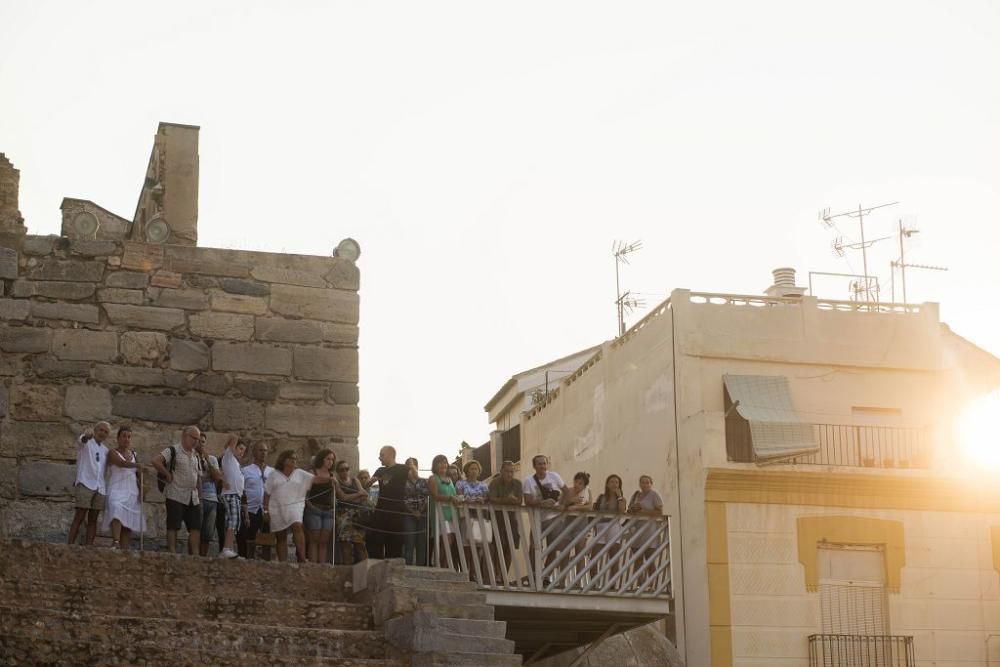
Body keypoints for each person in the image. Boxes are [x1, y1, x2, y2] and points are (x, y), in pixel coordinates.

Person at [151, 425, 203, 555]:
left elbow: (197, 476)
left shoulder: (196, 455)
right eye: (193, 438)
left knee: (196, 526)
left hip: (193, 496)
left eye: (197, 439)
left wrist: (199, 493)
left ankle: (195, 555)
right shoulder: (173, 450)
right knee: (173, 525)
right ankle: (172, 553)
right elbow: (156, 461)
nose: (196, 441)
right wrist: (167, 474)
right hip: (175, 493)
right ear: (185, 436)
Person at [522, 454, 569, 579]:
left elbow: (566, 491)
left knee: (553, 547)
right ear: (534, 466)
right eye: (539, 464)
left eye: (544, 463)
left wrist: (562, 505)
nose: (542, 466)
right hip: (537, 519)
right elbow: (527, 501)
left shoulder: (554, 476)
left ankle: (545, 576)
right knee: (534, 548)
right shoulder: (528, 481)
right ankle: (534, 575)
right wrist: (542, 503)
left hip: (555, 518)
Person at [264, 449, 315, 563]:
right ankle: (283, 563)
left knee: (297, 526)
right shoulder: (273, 474)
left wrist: (329, 479)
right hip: (277, 509)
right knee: (281, 536)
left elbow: (315, 479)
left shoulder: (300, 473)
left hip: (295, 507)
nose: (294, 460)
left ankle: (302, 558)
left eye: (295, 458)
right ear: (283, 460)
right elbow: (267, 493)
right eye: (291, 458)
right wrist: (266, 511)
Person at [68, 421, 111, 546]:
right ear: (95, 430)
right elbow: (82, 439)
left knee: (93, 519)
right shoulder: (86, 443)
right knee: (80, 516)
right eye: (101, 430)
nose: (103, 433)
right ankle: (69, 545)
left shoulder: (106, 450)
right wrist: (87, 435)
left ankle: (89, 548)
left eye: (106, 432)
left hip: (100, 487)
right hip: (85, 483)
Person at [102, 425, 144, 551]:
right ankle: (115, 541)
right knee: (116, 508)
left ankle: (124, 549)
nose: (126, 439)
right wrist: (137, 465)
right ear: (118, 438)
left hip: (131, 490)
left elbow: (138, 475)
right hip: (116, 489)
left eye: (129, 437)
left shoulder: (134, 454)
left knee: (127, 521)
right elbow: (121, 463)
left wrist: (142, 488)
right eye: (124, 436)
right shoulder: (112, 452)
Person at [364, 446, 410, 559]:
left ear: (390, 454)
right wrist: (371, 481)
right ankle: (376, 564)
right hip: (381, 510)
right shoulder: (380, 470)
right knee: (375, 539)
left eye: (382, 455)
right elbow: (367, 484)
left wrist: (412, 466)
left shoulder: (403, 468)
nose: (379, 457)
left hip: (397, 511)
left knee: (395, 542)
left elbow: (415, 477)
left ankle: (393, 565)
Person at [487, 460, 523, 581]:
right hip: (497, 518)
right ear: (501, 471)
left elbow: (519, 501)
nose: (509, 474)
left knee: (510, 547)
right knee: (499, 546)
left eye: (511, 472)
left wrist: (509, 500)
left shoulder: (517, 483)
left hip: (512, 519)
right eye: (507, 471)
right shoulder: (495, 483)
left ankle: (504, 576)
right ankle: (497, 574)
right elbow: (492, 499)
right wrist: (507, 499)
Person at [627, 474, 665, 585]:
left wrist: (644, 512)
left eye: (647, 482)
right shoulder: (636, 495)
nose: (645, 484)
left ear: (651, 484)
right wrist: (633, 509)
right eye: (643, 482)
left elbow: (660, 512)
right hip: (636, 530)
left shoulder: (654, 495)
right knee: (637, 559)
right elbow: (629, 509)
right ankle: (640, 585)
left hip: (650, 531)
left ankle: (652, 585)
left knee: (649, 559)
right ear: (639, 484)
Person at [238, 443, 274, 560]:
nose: (263, 453)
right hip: (251, 510)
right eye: (260, 450)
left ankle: (266, 564)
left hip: (267, 511)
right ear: (253, 452)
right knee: (250, 540)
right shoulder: (245, 470)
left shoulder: (272, 472)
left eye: (265, 451)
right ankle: (249, 563)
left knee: (267, 541)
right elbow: (241, 491)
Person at [456, 460, 491, 575]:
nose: (474, 471)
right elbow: (459, 496)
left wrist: (483, 500)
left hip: (479, 518)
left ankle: (474, 573)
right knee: (466, 546)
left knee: (477, 546)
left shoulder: (483, 485)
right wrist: (468, 499)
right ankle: (465, 572)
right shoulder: (460, 483)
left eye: (476, 469)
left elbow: (487, 498)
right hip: (466, 517)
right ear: (467, 470)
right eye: (471, 468)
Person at [304, 449, 337, 564]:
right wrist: (310, 506)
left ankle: (322, 567)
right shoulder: (312, 472)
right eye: (328, 459)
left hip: (328, 511)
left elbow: (336, 494)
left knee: (324, 541)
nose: (330, 462)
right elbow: (306, 491)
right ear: (321, 459)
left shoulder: (332, 475)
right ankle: (313, 567)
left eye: (332, 459)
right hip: (314, 509)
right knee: (314, 540)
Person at [334, 460, 369, 564]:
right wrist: (358, 494)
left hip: (357, 516)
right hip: (343, 516)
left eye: (347, 469)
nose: (345, 471)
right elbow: (342, 497)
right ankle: (348, 571)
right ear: (338, 472)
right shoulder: (336, 482)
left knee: (360, 545)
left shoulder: (354, 480)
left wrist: (350, 499)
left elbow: (364, 495)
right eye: (342, 470)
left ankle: (365, 571)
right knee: (346, 547)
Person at [427, 454, 459, 568]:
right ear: (435, 465)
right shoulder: (433, 478)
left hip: (452, 514)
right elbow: (435, 496)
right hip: (440, 514)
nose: (443, 465)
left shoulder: (450, 479)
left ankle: (446, 566)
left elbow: (454, 495)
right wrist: (450, 498)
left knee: (450, 542)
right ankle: (440, 566)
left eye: (445, 462)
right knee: (444, 541)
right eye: (440, 462)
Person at [219, 435, 246, 559]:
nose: (242, 452)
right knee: (233, 521)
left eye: (244, 450)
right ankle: (226, 549)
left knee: (235, 523)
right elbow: (234, 437)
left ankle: (229, 549)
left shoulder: (235, 463)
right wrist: (230, 443)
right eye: (240, 448)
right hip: (230, 494)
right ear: (233, 448)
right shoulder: (228, 457)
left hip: (236, 496)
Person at [195, 432, 222, 557]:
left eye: (203, 442)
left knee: (207, 534)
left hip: (212, 500)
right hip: (198, 498)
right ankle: (194, 557)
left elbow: (217, 477)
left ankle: (203, 559)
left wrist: (206, 460)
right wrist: (206, 477)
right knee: (196, 531)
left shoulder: (212, 459)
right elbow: (195, 479)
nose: (201, 444)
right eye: (198, 441)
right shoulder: (191, 458)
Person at [402, 457, 429, 566]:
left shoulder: (424, 481)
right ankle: (407, 568)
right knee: (409, 542)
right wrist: (413, 512)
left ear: (417, 467)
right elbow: (402, 499)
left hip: (423, 514)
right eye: (409, 466)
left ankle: (421, 569)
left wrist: (420, 511)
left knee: (421, 544)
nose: (411, 468)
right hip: (408, 515)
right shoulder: (402, 482)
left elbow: (426, 497)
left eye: (413, 465)